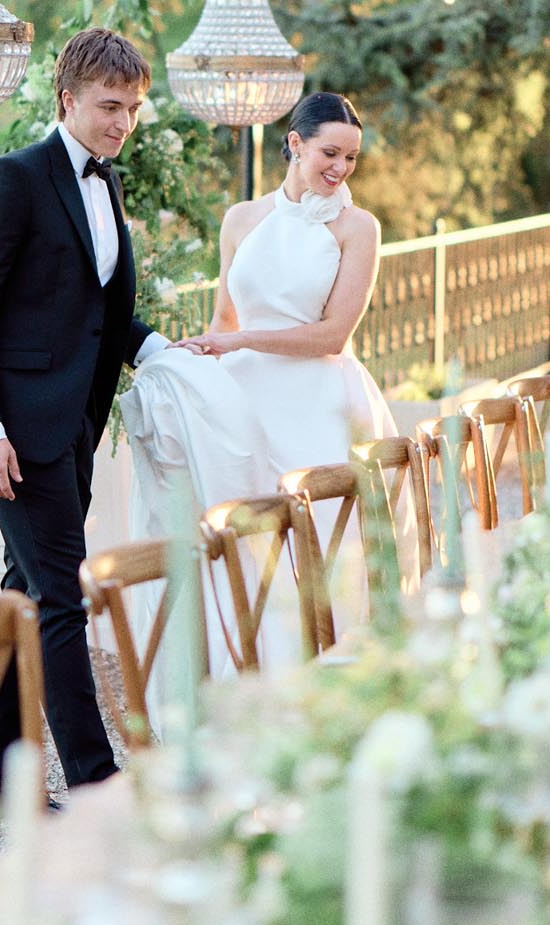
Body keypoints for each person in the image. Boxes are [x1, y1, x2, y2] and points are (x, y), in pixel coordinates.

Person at [0, 27, 167, 791]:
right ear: (67, 98)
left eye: (133, 109)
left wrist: (163, 349)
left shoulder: (106, 180)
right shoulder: (15, 179)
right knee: (63, 597)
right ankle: (97, 781)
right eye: (109, 106)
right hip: (16, 429)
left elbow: (96, 308)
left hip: (74, 422)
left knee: (27, 592)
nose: (122, 123)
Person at [121, 91, 411, 668]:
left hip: (318, 408)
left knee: (326, 549)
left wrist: (242, 340)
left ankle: (337, 680)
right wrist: (193, 361)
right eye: (331, 153)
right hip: (244, 407)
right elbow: (223, 323)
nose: (341, 169)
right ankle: (258, 677)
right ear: (296, 144)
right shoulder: (242, 219)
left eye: (351, 159)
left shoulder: (360, 229)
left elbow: (332, 336)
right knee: (248, 543)